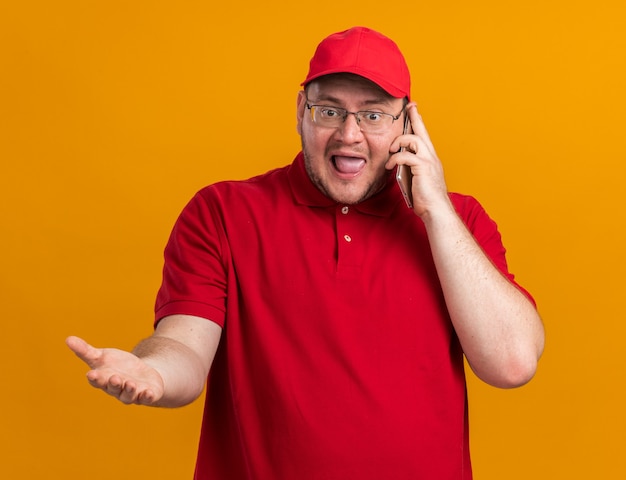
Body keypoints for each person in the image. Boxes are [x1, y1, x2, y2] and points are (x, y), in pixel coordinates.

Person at [66, 26, 544, 479]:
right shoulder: (222, 213)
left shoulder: (460, 223)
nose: (349, 134)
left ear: (408, 123)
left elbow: (512, 364)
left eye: (374, 114)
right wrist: (152, 371)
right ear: (301, 111)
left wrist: (435, 210)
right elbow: (184, 346)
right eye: (329, 111)